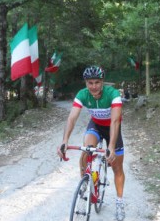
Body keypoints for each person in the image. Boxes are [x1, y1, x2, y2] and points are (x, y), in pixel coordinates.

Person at [57, 65, 126, 221]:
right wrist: (65, 141)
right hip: (95, 125)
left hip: (112, 129)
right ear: (86, 83)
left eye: (97, 82)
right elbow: (72, 118)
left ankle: (119, 202)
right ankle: (85, 183)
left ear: (102, 82)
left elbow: (115, 121)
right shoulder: (82, 95)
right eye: (90, 83)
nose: (93, 86)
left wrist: (111, 146)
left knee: (117, 168)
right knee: (86, 151)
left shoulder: (113, 94)